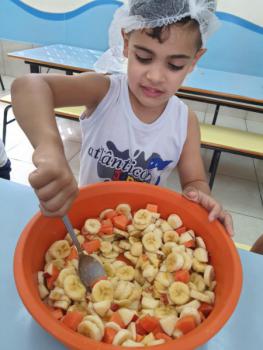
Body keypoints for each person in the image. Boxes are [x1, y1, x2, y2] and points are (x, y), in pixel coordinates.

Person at [10, 0, 233, 236]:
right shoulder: (104, 92)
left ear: (194, 61)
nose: (155, 76)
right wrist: (49, 150)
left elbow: (195, 181)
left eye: (175, 65)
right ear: (126, 44)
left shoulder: (185, 122)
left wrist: (203, 197)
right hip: (88, 222)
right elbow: (28, 86)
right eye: (144, 57)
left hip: (142, 232)